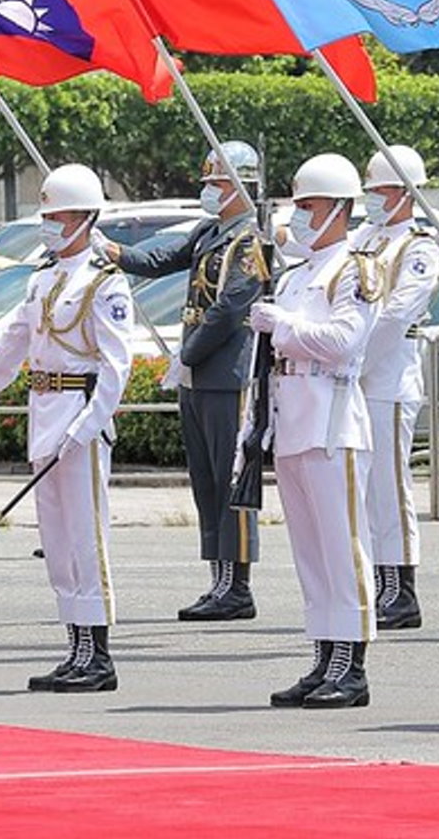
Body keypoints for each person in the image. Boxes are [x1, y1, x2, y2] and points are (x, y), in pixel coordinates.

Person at [0, 165, 134, 693]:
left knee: (85, 537)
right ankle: (75, 644)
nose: (49, 225)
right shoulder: (42, 280)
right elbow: (9, 352)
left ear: (82, 218)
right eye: (47, 216)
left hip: (79, 417)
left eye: (57, 216)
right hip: (45, 413)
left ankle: (98, 653)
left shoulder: (105, 283)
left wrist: (86, 427)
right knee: (57, 542)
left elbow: (116, 368)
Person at [107, 141, 266, 621]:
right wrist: (113, 251)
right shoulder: (209, 232)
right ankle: (218, 578)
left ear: (242, 186)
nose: (209, 192)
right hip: (199, 376)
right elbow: (160, 262)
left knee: (229, 480)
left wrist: (186, 355)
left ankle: (237, 587)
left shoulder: (249, 241)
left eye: (217, 183)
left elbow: (228, 310)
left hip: (227, 375)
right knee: (206, 483)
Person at [250, 154, 382, 710]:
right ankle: (324, 654)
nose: (299, 216)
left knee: (343, 544)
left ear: (339, 210)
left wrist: (285, 324)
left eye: (309, 206)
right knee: (309, 548)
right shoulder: (300, 273)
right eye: (298, 205)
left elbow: (343, 341)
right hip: (295, 416)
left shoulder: (356, 269)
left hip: (333, 419)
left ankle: (351, 665)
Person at [354, 147, 439, 630]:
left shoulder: (419, 246)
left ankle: (401, 589)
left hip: (389, 377)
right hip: (357, 375)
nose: (374, 198)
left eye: (382, 190)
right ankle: (376, 580)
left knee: (389, 487)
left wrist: (350, 358)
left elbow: (395, 316)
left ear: (405, 193)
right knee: (365, 489)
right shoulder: (366, 237)